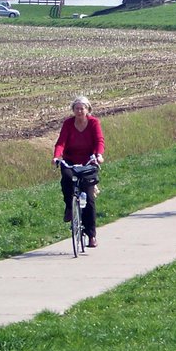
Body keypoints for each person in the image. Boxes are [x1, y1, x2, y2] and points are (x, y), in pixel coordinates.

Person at [52, 95, 105, 248]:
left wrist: (98, 155)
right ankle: (69, 206)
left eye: (82, 108)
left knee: (89, 199)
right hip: (70, 160)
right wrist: (56, 157)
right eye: (77, 108)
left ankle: (91, 235)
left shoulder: (94, 122)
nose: (80, 111)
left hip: (89, 161)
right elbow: (61, 142)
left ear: (88, 109)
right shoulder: (68, 124)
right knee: (66, 179)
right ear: (73, 110)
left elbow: (99, 141)